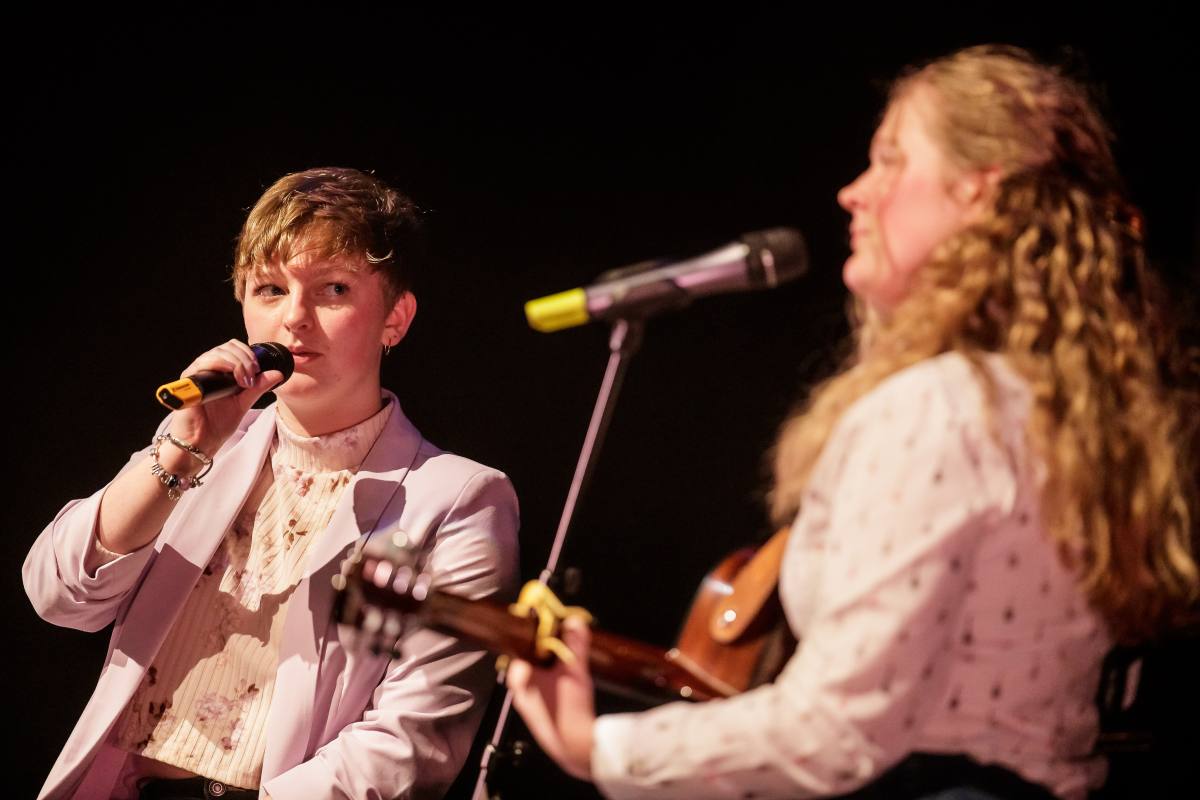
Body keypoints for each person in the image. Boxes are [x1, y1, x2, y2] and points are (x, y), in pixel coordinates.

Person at [506, 45, 1198, 800]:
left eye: (891, 162)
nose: (853, 193)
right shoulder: (1065, 413)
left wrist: (595, 747)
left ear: (978, 193)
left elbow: (837, 729)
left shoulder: (939, 406)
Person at [23, 167, 520, 799]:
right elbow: (59, 595)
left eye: (332, 289)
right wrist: (183, 449)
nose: (295, 319)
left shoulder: (460, 500)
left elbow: (409, 743)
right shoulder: (205, 447)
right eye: (269, 289)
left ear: (395, 319)